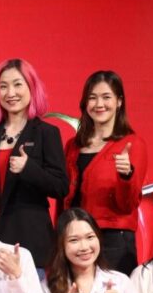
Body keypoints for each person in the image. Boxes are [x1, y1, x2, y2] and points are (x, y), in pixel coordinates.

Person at [0, 58, 68, 271]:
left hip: (31, 238)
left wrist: (29, 169)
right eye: (3, 86)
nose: (10, 93)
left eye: (18, 84)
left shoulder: (47, 133)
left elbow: (61, 186)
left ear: (31, 88)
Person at [61, 70, 148, 275]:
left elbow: (128, 205)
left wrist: (126, 175)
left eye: (106, 97)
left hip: (113, 241)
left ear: (119, 101)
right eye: (92, 98)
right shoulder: (72, 146)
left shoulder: (133, 144)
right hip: (75, 238)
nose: (99, 104)